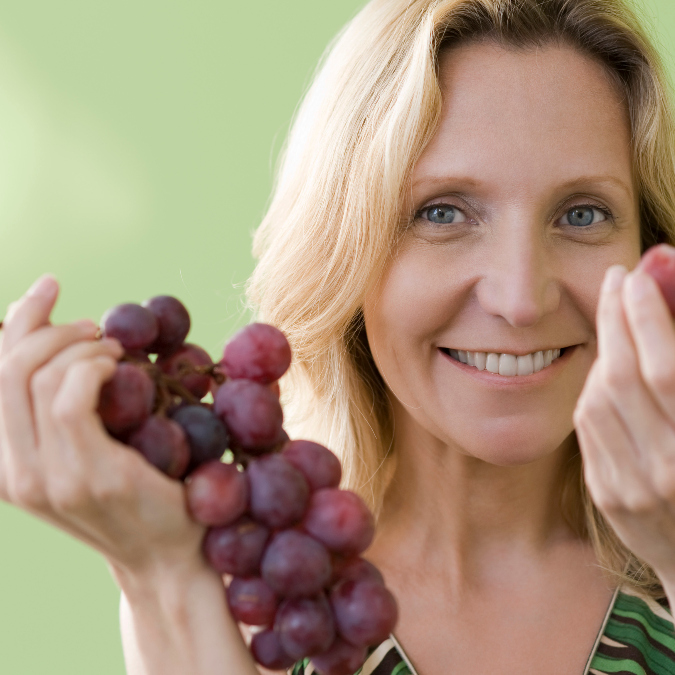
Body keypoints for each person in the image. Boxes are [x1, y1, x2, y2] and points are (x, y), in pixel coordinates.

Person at [1, 0, 675, 673]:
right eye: (441, 212)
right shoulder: (260, 604)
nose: (521, 298)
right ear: (344, 249)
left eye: (581, 213)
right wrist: (161, 575)